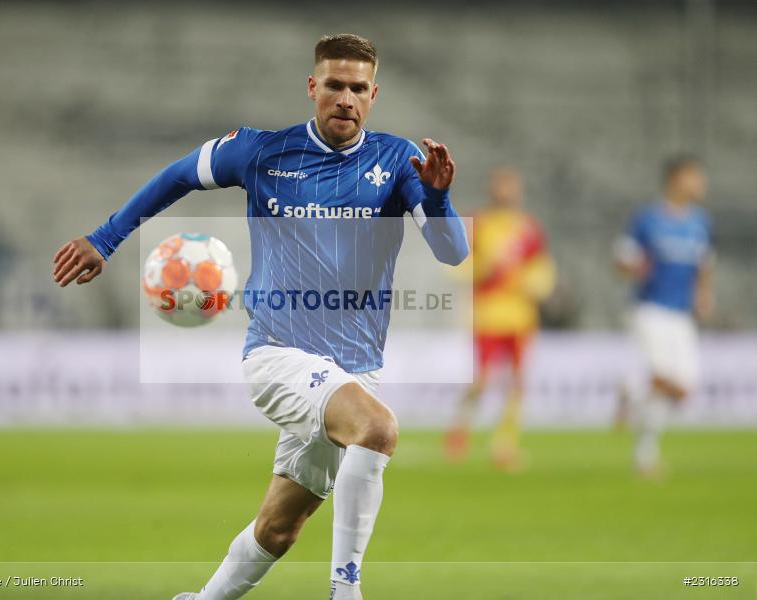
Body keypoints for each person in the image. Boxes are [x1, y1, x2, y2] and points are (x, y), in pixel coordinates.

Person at [52, 34, 469, 600]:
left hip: (354, 369)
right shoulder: (261, 151)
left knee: (279, 527)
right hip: (278, 355)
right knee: (378, 429)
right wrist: (105, 239)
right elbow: (177, 175)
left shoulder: (397, 161)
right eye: (334, 85)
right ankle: (346, 591)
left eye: (358, 89)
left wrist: (441, 198)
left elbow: (451, 252)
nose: (345, 98)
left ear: (374, 95)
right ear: (312, 87)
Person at [444, 167, 555, 470]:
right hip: (488, 315)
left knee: (517, 382)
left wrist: (537, 286)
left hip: (520, 317)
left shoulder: (529, 228)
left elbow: (542, 268)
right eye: (501, 186)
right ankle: (460, 427)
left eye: (511, 186)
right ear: (492, 189)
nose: (506, 192)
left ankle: (504, 445)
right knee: (482, 381)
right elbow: (456, 264)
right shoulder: (477, 224)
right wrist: (483, 269)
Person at [614, 155, 714, 477]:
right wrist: (633, 267)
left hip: (680, 313)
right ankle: (645, 451)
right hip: (650, 309)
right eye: (694, 177)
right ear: (675, 179)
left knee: (683, 388)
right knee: (661, 376)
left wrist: (703, 295)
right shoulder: (649, 220)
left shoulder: (700, 222)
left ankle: (632, 396)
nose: (700, 184)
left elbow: (704, 264)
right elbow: (622, 258)